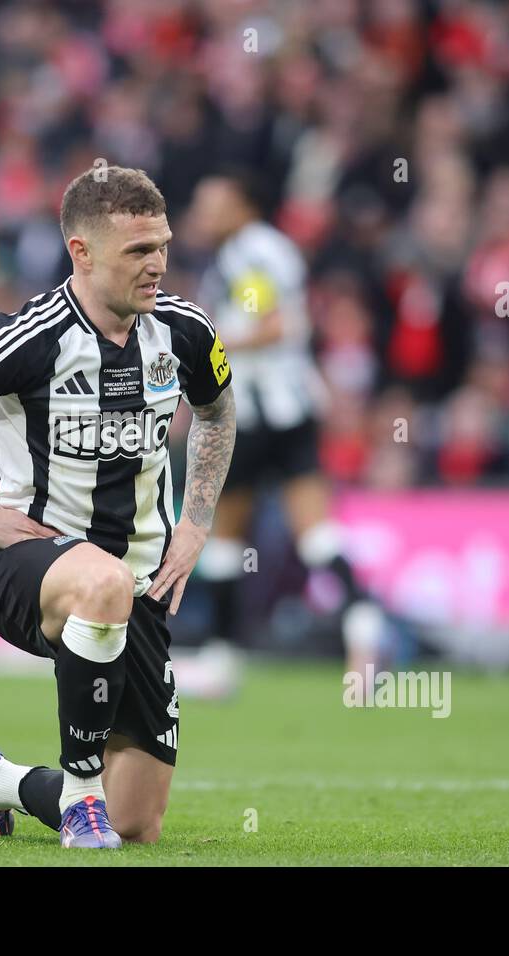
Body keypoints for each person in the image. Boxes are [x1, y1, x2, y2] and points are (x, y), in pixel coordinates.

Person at [0, 167, 236, 847]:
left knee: (139, 823)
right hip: (29, 569)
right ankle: (81, 799)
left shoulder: (183, 330)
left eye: (162, 246)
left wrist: (197, 519)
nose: (156, 264)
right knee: (101, 579)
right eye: (137, 251)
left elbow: (216, 411)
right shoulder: (27, 339)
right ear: (81, 252)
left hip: (140, 585)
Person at [179, 170, 386, 698]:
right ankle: (363, 626)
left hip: (254, 413)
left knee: (225, 535)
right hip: (293, 409)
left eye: (213, 200)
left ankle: (223, 657)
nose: (203, 213)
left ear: (243, 204)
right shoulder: (265, 250)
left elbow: (272, 323)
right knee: (314, 534)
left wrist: (206, 348)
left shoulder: (248, 253)